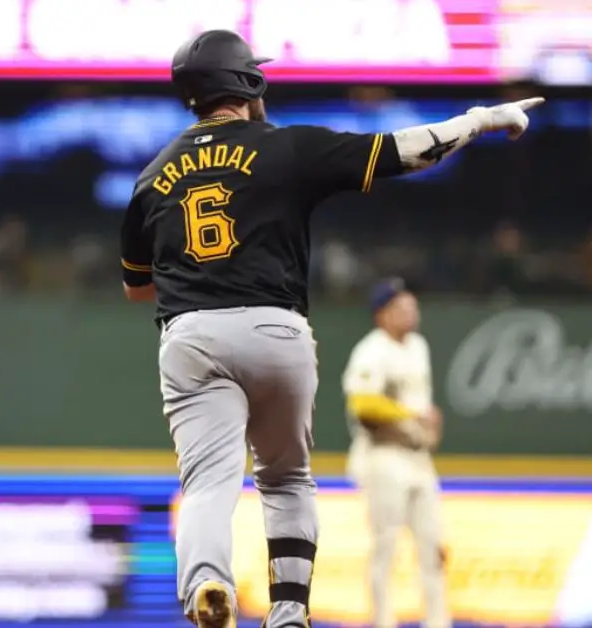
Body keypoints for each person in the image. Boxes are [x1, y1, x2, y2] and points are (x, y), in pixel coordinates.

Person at [118, 29, 542, 628]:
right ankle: (289, 610)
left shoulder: (152, 177)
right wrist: (478, 119)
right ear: (247, 81)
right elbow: (406, 151)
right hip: (275, 330)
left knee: (208, 481)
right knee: (286, 478)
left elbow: (138, 287)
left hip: (191, 335)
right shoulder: (286, 148)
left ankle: (207, 587)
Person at [342, 278, 446, 628]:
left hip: (418, 457)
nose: (411, 312)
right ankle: (383, 622)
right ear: (382, 314)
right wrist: (412, 415)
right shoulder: (371, 350)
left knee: (434, 547)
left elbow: (418, 403)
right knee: (386, 546)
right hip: (383, 455)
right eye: (402, 307)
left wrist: (428, 425)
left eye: (412, 305)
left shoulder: (418, 345)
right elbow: (362, 404)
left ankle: (437, 621)